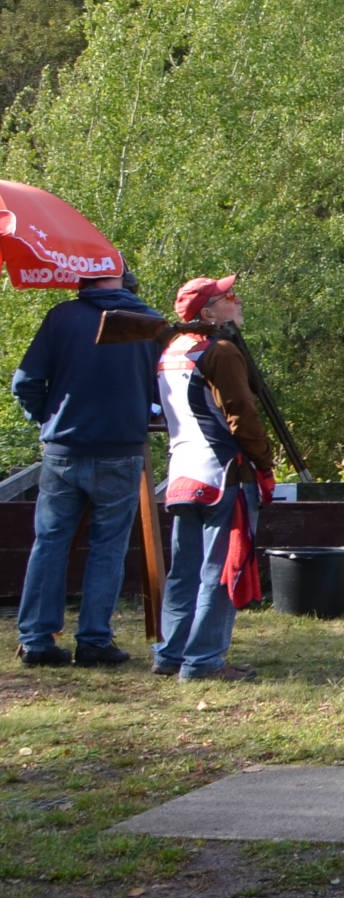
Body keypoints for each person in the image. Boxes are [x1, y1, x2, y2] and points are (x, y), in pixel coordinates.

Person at [11, 257, 162, 667]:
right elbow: (161, 391)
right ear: (122, 278)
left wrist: (47, 416)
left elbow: (24, 383)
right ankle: (94, 639)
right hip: (121, 447)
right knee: (107, 549)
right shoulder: (149, 323)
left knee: (50, 543)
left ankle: (37, 640)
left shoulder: (62, 318)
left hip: (64, 449)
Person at [154, 276, 274, 682]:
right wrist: (264, 462)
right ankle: (203, 659)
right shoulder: (219, 352)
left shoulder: (170, 351)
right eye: (228, 298)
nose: (237, 302)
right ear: (207, 314)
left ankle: (172, 652)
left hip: (181, 471)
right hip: (223, 472)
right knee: (220, 569)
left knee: (183, 571)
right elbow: (242, 415)